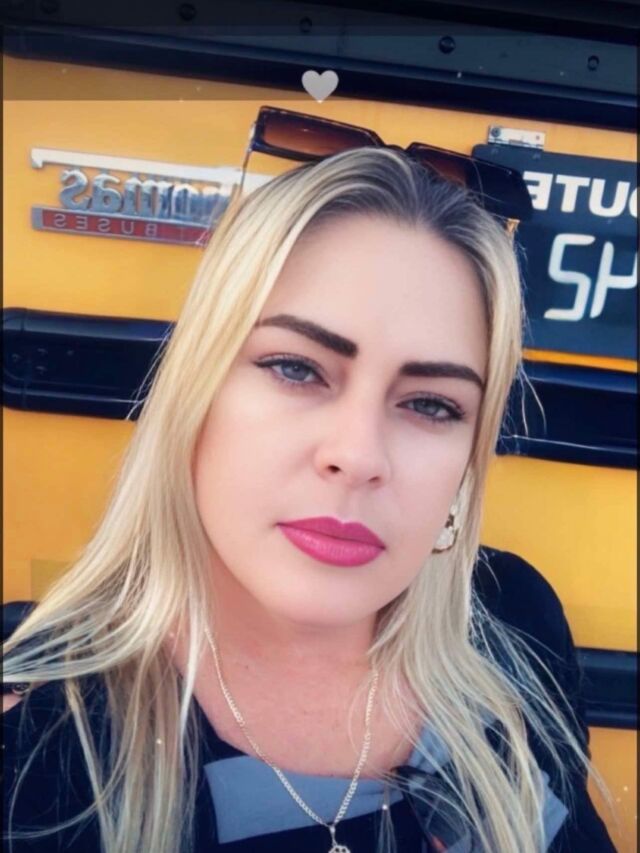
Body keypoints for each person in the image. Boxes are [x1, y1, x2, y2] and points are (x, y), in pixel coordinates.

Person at [2, 137, 617, 853]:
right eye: (296, 368)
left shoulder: (514, 622)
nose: (357, 456)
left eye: (431, 404)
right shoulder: (36, 751)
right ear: (196, 392)